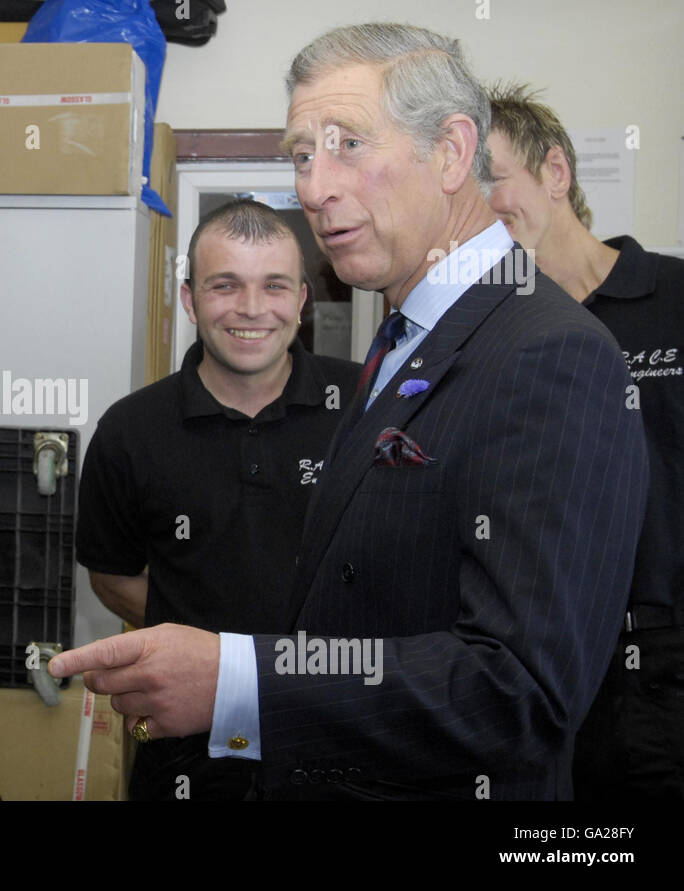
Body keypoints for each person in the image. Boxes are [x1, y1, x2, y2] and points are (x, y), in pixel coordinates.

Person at [49, 22, 649, 800]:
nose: (313, 186)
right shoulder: (404, 342)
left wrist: (240, 682)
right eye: (302, 154)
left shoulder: (546, 352)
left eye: (348, 146)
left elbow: (522, 690)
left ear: (453, 152)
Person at [76, 198, 358, 800]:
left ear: (302, 300)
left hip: (343, 742)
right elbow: (113, 575)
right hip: (188, 754)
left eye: (274, 286)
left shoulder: (366, 404)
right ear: (190, 299)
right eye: (225, 285)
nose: (252, 309)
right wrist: (213, 634)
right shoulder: (130, 430)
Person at [487, 84, 684, 800]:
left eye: (491, 175)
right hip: (538, 674)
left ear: (556, 172)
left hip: (666, 666)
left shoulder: (673, 296)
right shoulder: (487, 337)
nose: (479, 204)